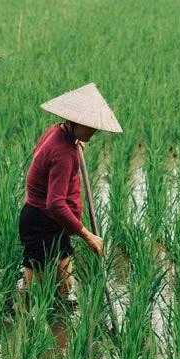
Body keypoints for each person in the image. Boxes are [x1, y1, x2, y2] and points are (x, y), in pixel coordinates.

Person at [19, 82, 122, 303]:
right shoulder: (64, 152)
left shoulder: (57, 131)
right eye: (89, 126)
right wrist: (87, 235)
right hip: (42, 219)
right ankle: (21, 318)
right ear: (74, 122)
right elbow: (55, 203)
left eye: (96, 127)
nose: (94, 131)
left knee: (64, 260)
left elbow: (42, 154)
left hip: (48, 218)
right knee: (33, 272)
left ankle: (65, 309)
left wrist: (76, 145)